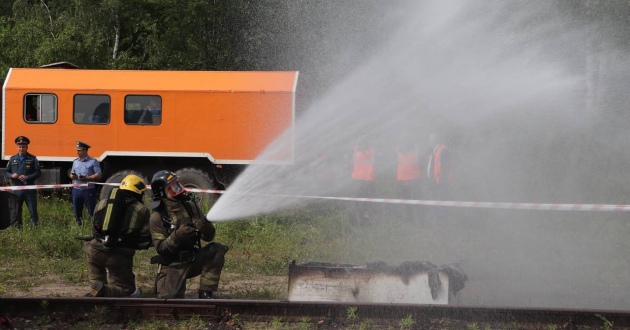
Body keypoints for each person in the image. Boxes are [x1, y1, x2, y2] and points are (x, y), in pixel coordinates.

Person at [149, 170, 228, 299]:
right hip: (173, 265)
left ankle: (206, 292)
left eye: (178, 184)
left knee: (216, 249)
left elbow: (209, 238)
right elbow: (161, 248)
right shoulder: (157, 218)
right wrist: (177, 236)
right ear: (162, 192)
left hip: (193, 259)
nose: (178, 189)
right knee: (171, 302)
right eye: (173, 187)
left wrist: (206, 228)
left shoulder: (190, 207)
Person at [83, 174, 151, 297]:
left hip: (94, 250)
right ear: (139, 192)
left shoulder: (102, 203)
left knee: (97, 283)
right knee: (125, 290)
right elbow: (145, 237)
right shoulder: (141, 209)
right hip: (118, 255)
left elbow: (94, 227)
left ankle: (96, 292)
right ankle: (104, 291)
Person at [3, 136, 41, 228]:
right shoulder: (12, 159)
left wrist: (28, 177)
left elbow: (38, 172)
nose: (21, 148)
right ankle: (18, 230)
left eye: (23, 146)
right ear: (17, 147)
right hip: (16, 190)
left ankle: (34, 229)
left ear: (27, 147)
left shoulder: (32, 159)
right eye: (20, 146)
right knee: (16, 211)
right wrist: (12, 175)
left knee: (32, 210)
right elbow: (6, 172)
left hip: (29, 189)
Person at [69, 141, 102, 226]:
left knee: (91, 210)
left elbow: (98, 174)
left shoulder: (93, 161)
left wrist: (87, 178)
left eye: (79, 150)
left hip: (88, 189)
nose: (77, 152)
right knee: (77, 209)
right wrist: (72, 176)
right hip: (77, 189)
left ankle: (93, 225)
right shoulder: (75, 161)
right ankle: (78, 223)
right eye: (77, 150)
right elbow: (71, 173)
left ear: (85, 150)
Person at [396, 137, 423, 221]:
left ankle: (420, 218)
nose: (405, 141)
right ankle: (409, 218)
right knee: (406, 200)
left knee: (416, 199)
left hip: (414, 178)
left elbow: (418, 160)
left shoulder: (415, 148)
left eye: (406, 139)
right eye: (403, 139)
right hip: (402, 178)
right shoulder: (398, 149)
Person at [350, 138, 375, 223]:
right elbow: (354, 161)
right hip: (357, 177)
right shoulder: (355, 149)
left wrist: (363, 162)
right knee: (357, 197)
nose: (361, 142)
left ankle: (366, 216)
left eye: (363, 140)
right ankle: (357, 216)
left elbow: (372, 161)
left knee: (366, 197)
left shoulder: (370, 149)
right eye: (359, 141)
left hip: (368, 177)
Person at [426, 133, 452, 201]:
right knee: (434, 204)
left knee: (441, 204)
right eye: (429, 140)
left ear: (436, 140)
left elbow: (446, 166)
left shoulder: (443, 150)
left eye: (431, 140)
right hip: (433, 182)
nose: (430, 142)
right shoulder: (432, 151)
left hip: (440, 182)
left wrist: (442, 181)